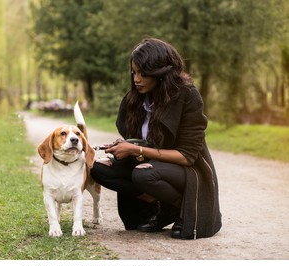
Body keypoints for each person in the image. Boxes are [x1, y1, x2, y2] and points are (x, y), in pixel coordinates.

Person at [90, 38, 221, 239]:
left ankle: (180, 208)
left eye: (143, 73)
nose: (137, 79)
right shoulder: (135, 99)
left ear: (160, 73)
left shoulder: (187, 96)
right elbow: (141, 141)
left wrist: (136, 150)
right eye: (134, 72)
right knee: (99, 169)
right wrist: (123, 149)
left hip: (186, 168)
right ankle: (157, 204)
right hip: (151, 163)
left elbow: (187, 156)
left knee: (143, 175)